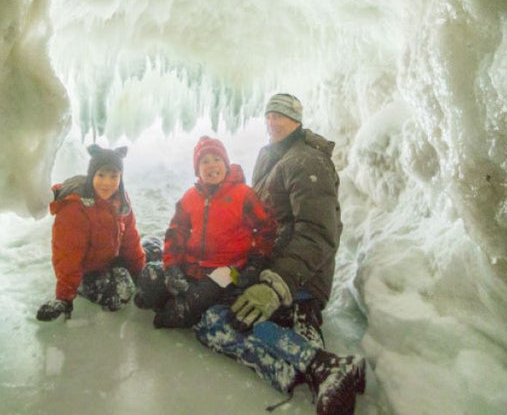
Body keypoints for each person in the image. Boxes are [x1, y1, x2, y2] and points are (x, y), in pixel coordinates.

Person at [194, 94, 367, 415]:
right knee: (214, 323)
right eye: (270, 115)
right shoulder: (274, 157)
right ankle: (312, 368)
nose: (273, 122)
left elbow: (317, 233)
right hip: (267, 272)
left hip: (298, 280)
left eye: (282, 116)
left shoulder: (307, 161)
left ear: (298, 121)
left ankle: (313, 351)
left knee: (222, 320)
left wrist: (275, 285)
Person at [135, 136, 276, 328]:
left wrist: (256, 263)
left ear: (226, 164)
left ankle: (182, 309)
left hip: (228, 269)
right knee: (151, 277)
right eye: (205, 162)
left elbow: (266, 229)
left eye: (217, 159)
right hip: (193, 263)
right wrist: (172, 267)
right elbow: (176, 232)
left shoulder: (243, 194)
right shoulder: (190, 197)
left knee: (192, 303)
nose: (211, 166)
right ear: (198, 170)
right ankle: (171, 297)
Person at [36, 144, 147, 321]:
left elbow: (130, 240)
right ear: (92, 175)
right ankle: (85, 288)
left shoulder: (121, 201)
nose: (107, 183)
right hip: (86, 271)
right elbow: (68, 254)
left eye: (114, 176)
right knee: (120, 293)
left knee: (151, 254)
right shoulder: (75, 207)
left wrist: (140, 273)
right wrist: (64, 298)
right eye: (101, 175)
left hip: (109, 258)